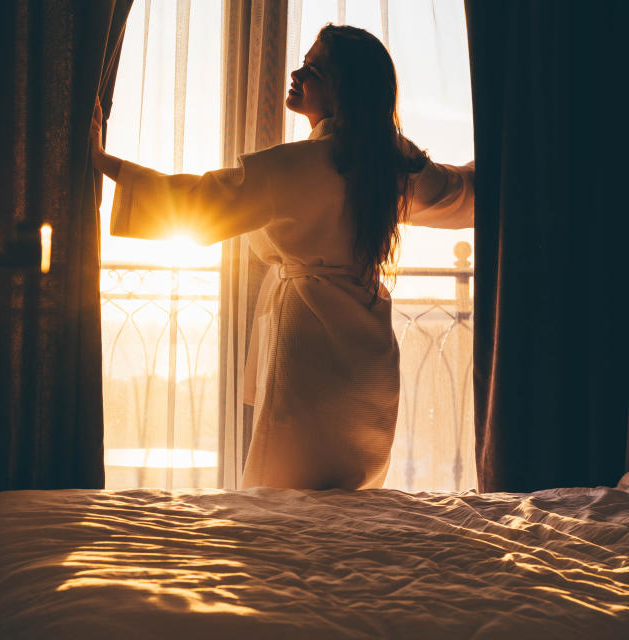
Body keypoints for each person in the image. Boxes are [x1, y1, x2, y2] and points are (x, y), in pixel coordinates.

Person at [90, 24, 474, 491]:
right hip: (369, 348)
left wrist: (105, 163)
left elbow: (200, 199)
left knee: (286, 490)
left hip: (308, 342)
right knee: (350, 493)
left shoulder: (300, 165)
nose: (295, 73)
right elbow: (460, 192)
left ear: (342, 91)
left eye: (311, 69)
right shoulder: (394, 162)